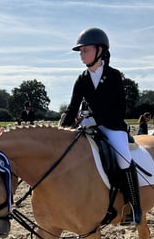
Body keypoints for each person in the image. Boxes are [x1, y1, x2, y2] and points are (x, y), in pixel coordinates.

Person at [59, 27, 141, 225]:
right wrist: (62, 128)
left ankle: (135, 208)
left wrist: (96, 119)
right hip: (89, 128)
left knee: (123, 159)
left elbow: (120, 108)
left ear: (100, 51)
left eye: (85, 50)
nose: (82, 55)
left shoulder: (114, 76)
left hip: (113, 127)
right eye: (81, 51)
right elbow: (72, 108)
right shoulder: (81, 79)